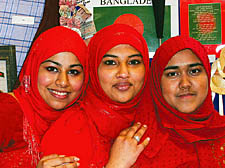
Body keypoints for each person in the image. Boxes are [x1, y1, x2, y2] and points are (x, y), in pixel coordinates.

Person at [39, 23, 150, 168]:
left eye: (134, 62)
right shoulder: (69, 131)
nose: (123, 73)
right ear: (93, 68)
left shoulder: (159, 119)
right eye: (110, 62)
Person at [0, 26, 89, 168]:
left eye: (73, 72)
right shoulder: (6, 111)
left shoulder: (85, 120)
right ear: (34, 67)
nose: (63, 82)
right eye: (52, 69)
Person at [131, 35, 225, 167]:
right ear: (157, 83)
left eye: (194, 71)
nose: (185, 84)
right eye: (172, 74)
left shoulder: (222, 132)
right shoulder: (136, 144)